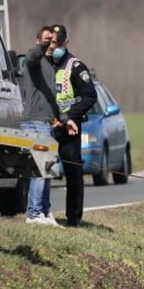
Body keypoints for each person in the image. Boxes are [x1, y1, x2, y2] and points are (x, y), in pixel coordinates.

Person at [47, 24, 97, 227]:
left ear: (66, 43)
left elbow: (90, 96)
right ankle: (40, 213)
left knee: (73, 172)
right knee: (42, 170)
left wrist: (69, 117)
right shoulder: (43, 64)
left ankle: (73, 217)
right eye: (51, 43)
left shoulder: (75, 67)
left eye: (58, 43)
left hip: (69, 128)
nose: (54, 47)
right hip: (46, 125)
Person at [19, 26, 63, 225]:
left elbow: (52, 98)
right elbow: (32, 55)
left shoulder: (49, 65)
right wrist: (44, 44)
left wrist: (64, 119)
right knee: (41, 169)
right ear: (38, 41)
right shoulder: (33, 60)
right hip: (34, 122)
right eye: (47, 40)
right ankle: (34, 214)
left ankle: (44, 212)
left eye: (53, 42)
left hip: (45, 122)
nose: (51, 45)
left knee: (48, 169)